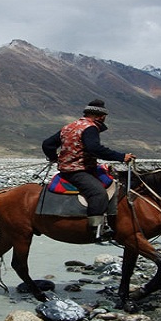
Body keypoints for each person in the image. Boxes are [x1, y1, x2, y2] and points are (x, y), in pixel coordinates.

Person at [42, 99, 136, 242]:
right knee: (98, 193)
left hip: (71, 168)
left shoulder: (69, 127)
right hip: (78, 171)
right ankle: (97, 230)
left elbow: (47, 144)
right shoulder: (90, 128)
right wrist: (122, 157)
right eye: (105, 116)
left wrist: (54, 157)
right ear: (100, 116)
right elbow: (94, 148)